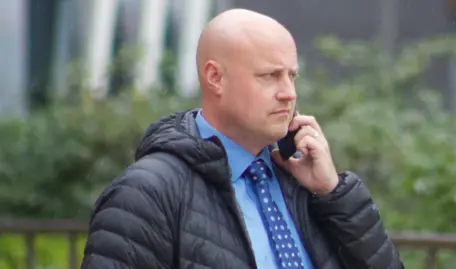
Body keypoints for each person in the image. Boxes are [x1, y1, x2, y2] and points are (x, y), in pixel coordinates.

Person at [81, 8, 404, 269]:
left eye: (291, 76)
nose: (288, 93)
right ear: (215, 78)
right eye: (269, 76)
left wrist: (334, 194)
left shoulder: (306, 181)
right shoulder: (148, 192)